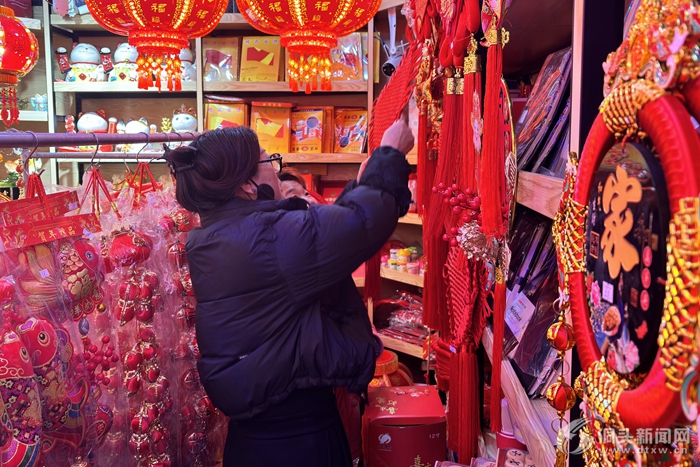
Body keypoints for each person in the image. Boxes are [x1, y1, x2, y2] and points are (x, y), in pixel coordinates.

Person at [163, 120, 414, 466]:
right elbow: (362, 223)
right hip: (296, 438)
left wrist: (364, 180)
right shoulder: (267, 238)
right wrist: (391, 154)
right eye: (269, 162)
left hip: (256, 435)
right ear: (250, 186)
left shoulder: (222, 235)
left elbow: (319, 242)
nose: (277, 174)